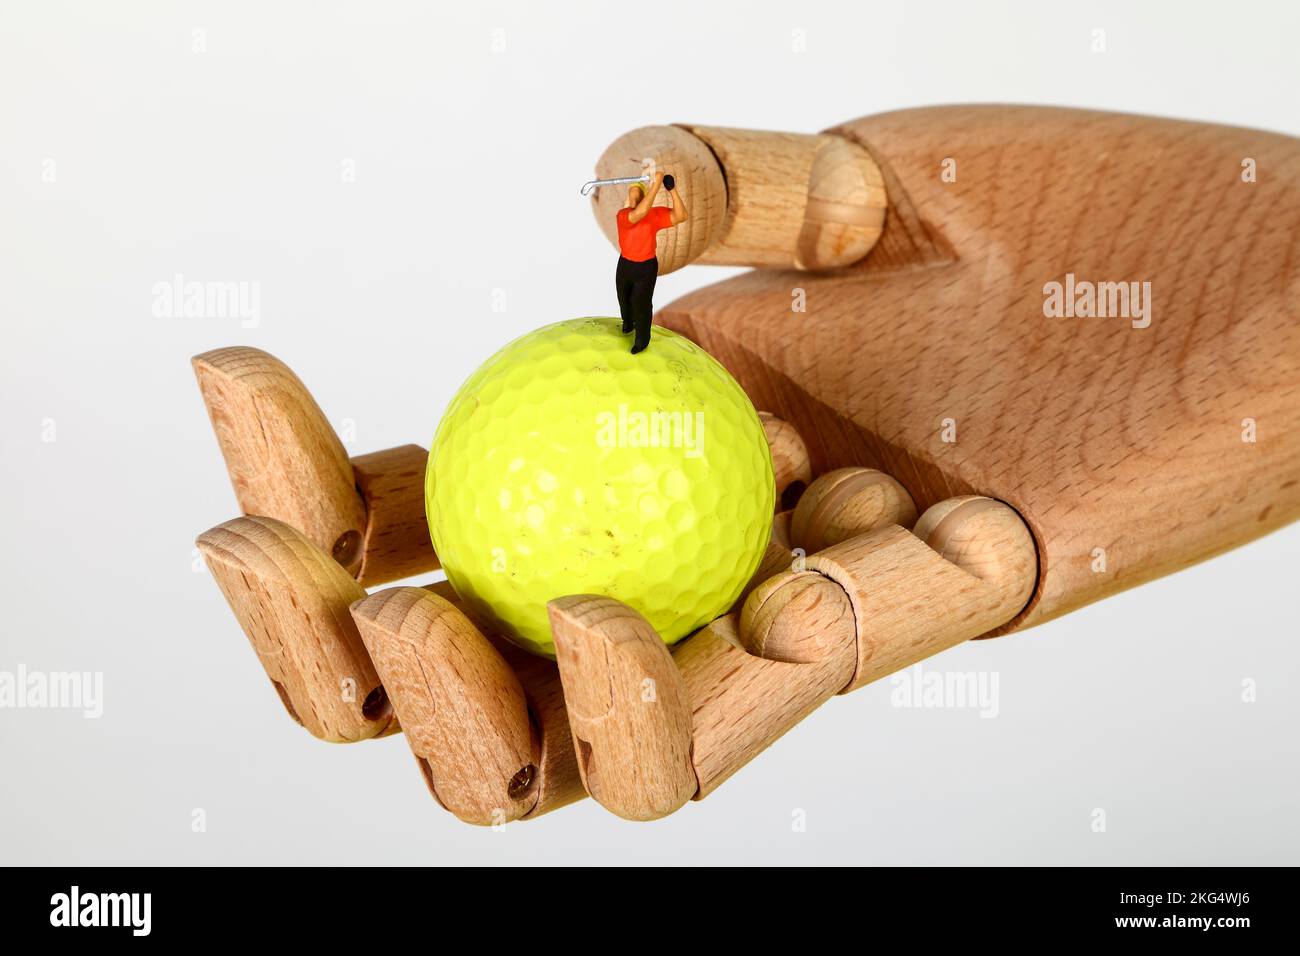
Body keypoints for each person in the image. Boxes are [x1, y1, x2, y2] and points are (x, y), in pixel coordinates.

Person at [615, 170, 688, 354]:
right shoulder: (623, 215)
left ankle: (642, 340)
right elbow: (638, 214)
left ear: (643, 198)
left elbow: (681, 216)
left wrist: (671, 190)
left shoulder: (652, 215)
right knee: (624, 299)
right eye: (631, 196)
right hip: (625, 264)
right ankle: (628, 323)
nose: (633, 200)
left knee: (641, 304)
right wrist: (655, 185)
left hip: (646, 267)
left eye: (637, 196)